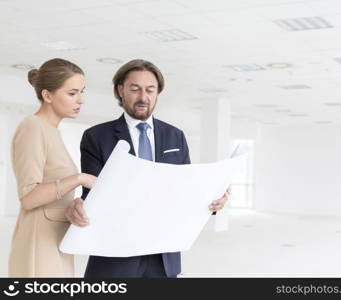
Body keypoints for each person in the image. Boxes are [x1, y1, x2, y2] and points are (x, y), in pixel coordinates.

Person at [65, 59, 229, 278]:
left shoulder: (175, 136)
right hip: (115, 255)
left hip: (163, 256)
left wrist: (213, 201)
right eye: (135, 89)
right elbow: (93, 195)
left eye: (150, 90)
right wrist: (77, 206)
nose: (144, 97)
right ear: (120, 90)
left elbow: (186, 189)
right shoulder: (96, 137)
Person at [8, 58, 96, 277]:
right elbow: (28, 196)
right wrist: (78, 179)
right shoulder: (32, 127)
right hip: (39, 243)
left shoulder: (51, 131)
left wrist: (75, 201)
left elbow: (54, 193)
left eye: (81, 92)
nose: (81, 100)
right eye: (72, 93)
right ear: (47, 95)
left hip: (57, 239)